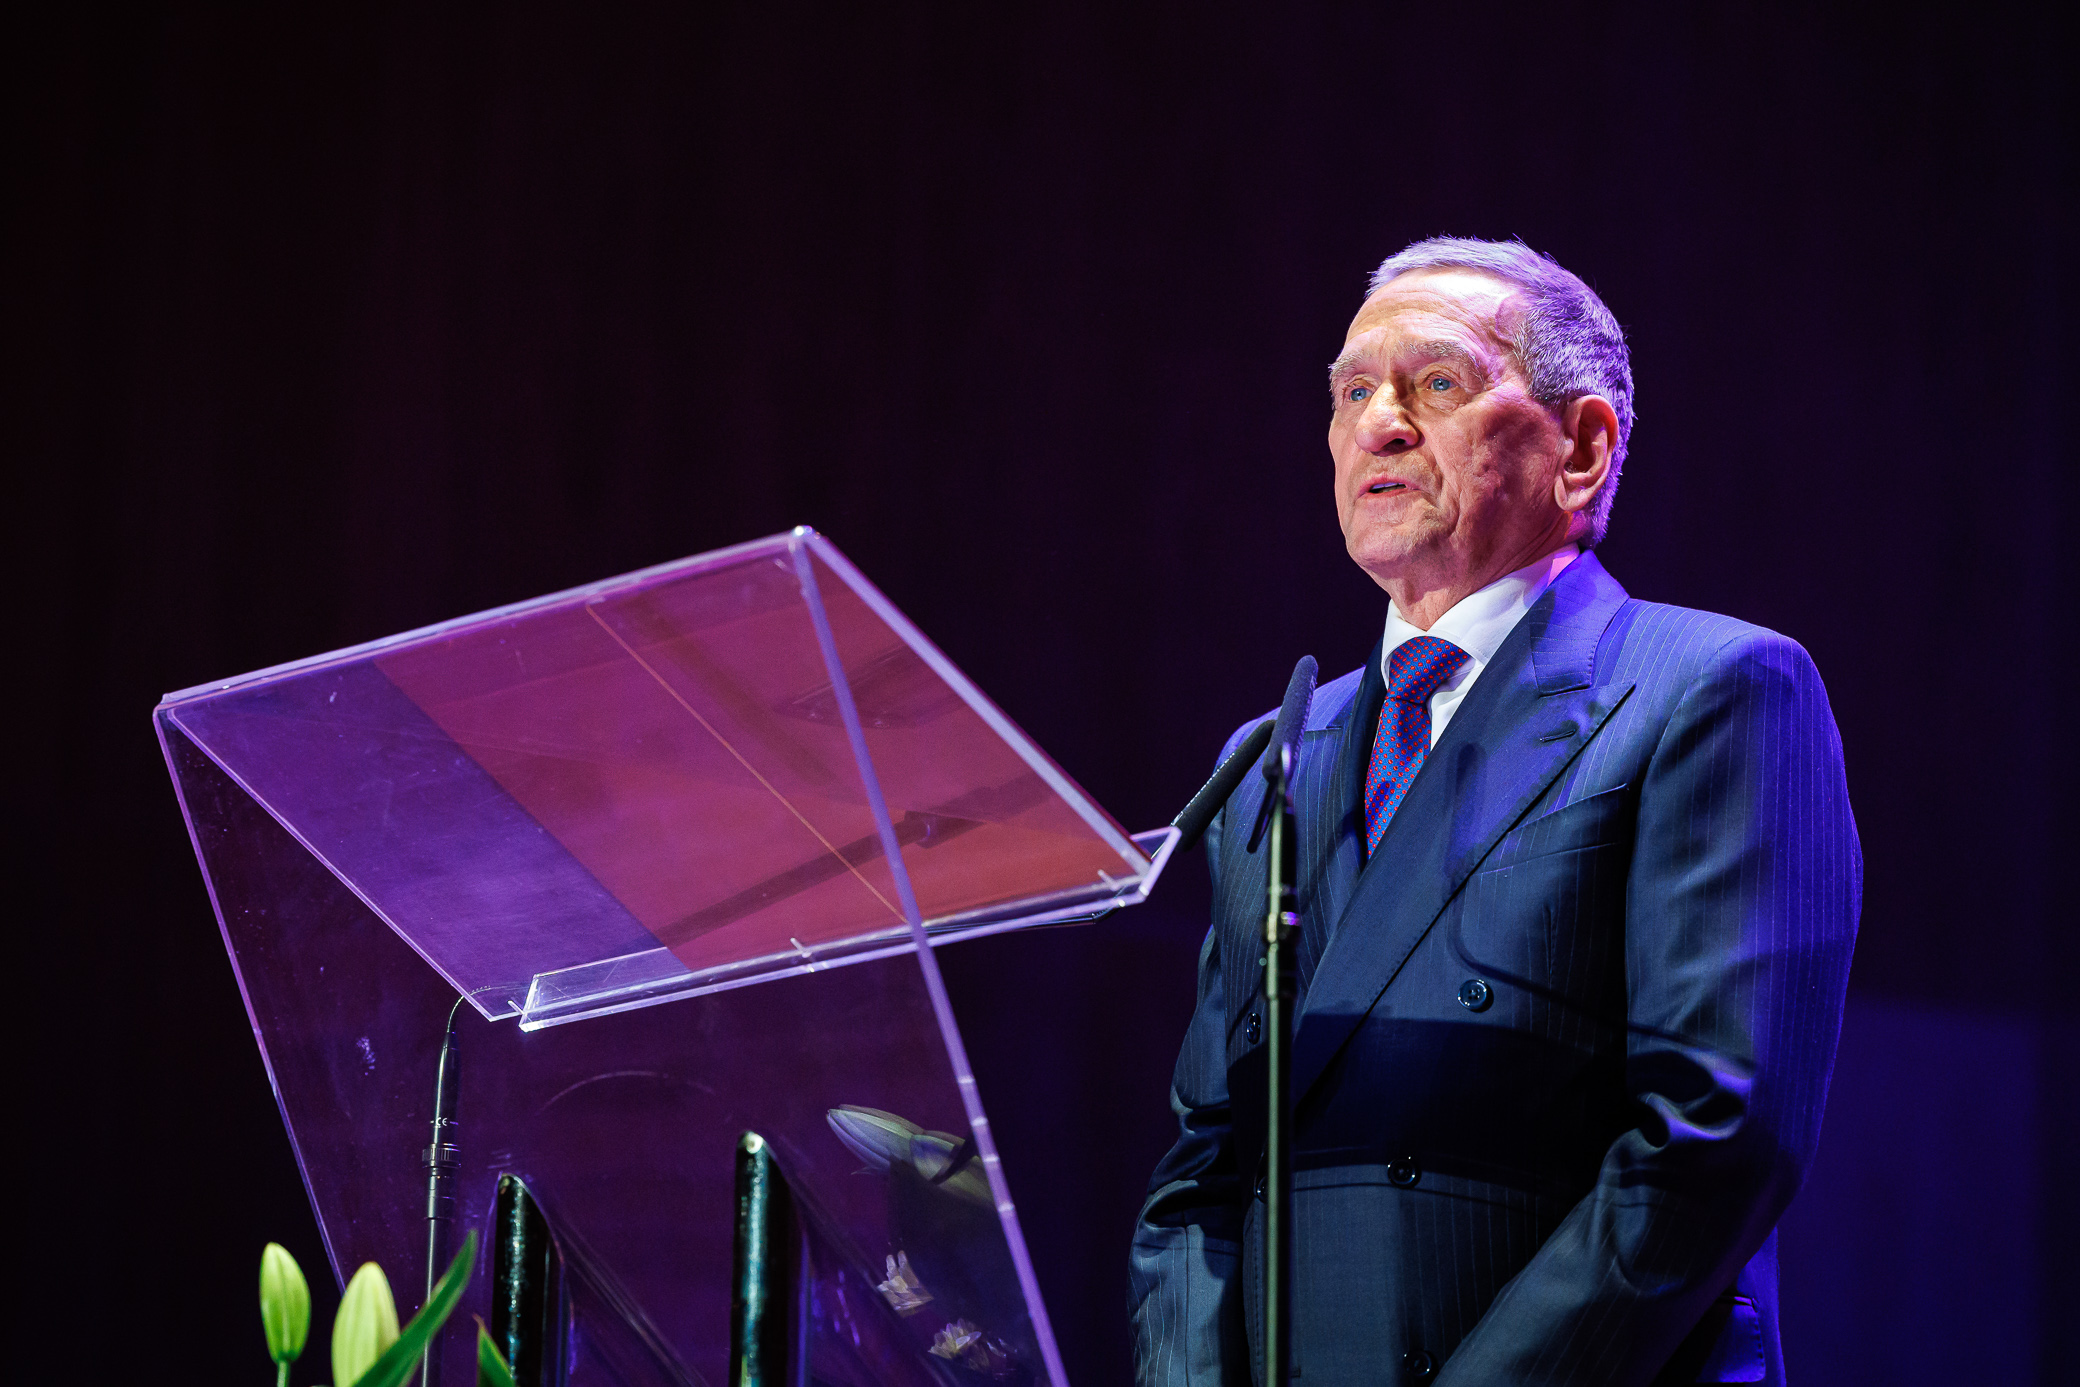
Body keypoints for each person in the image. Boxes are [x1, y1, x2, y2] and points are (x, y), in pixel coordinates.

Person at [1129, 237, 1860, 1386]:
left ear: (1582, 447)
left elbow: (1710, 1141)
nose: (1378, 425)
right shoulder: (1271, 756)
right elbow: (1202, 1168)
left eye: (1435, 383)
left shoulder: (1710, 690)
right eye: (1352, 393)